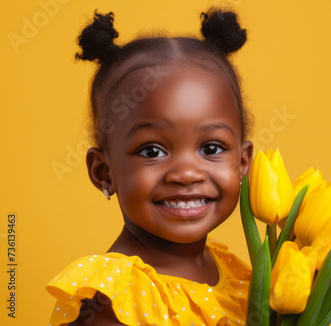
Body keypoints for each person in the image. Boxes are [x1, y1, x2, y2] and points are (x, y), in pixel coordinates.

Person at [46, 8, 254, 326]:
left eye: (211, 148)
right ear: (104, 172)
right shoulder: (114, 299)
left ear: (242, 163)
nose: (186, 174)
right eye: (152, 151)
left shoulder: (240, 275)